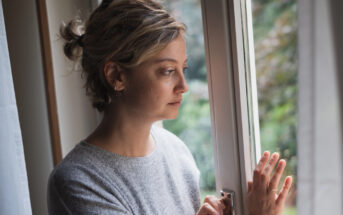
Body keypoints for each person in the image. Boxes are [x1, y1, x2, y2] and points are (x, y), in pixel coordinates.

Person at [47, 0, 292, 214]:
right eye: (167, 71)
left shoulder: (177, 152)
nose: (183, 85)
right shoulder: (79, 182)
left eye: (183, 69)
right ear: (116, 75)